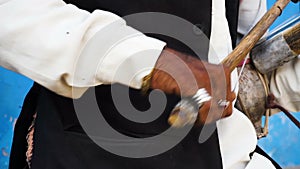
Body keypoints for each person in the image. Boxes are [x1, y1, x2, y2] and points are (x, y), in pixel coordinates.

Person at [0, 0, 277, 168]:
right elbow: (10, 15)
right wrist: (154, 64)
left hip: (220, 153)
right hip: (88, 152)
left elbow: (239, 40)